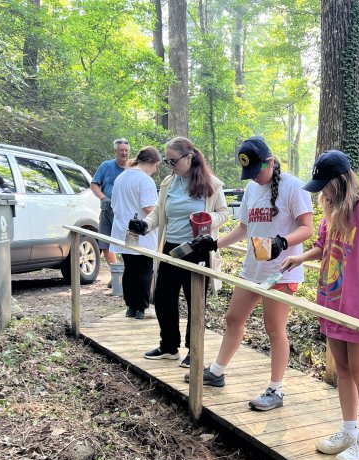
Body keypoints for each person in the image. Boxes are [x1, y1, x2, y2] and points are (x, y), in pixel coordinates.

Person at [281, 150, 359, 460]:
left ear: (341, 181)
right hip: (335, 301)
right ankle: (348, 432)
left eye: (325, 185)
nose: (321, 192)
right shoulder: (332, 209)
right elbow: (324, 246)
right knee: (343, 371)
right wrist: (300, 258)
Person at [185, 136, 313, 411]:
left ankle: (276, 391)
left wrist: (284, 241)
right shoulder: (253, 191)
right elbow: (243, 229)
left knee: (274, 329)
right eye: (249, 174)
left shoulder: (293, 186)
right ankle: (217, 372)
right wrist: (214, 243)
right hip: (253, 269)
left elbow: (307, 228)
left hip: (282, 271)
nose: (254, 178)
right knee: (233, 318)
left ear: (269, 162)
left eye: (257, 172)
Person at [129, 137, 229, 368]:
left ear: (189, 157)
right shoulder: (168, 183)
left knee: (196, 302)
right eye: (167, 161)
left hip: (197, 250)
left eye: (173, 161)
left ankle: (194, 351)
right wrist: (144, 225)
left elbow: (224, 213)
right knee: (164, 298)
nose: (170, 165)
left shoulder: (211, 184)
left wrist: (209, 219)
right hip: (171, 248)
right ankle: (168, 346)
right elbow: (158, 213)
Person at [109, 146, 161, 320]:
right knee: (144, 269)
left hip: (124, 229)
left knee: (130, 268)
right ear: (151, 163)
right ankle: (142, 308)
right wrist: (163, 213)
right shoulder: (145, 180)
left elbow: (114, 204)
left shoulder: (121, 177)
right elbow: (148, 208)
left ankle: (131, 306)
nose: (155, 171)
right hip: (139, 231)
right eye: (156, 166)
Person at [91, 138, 131, 269]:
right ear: (115, 151)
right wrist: (103, 198)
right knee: (105, 242)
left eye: (126, 150)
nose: (124, 153)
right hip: (107, 210)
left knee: (127, 243)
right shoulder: (106, 166)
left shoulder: (133, 168)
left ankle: (127, 272)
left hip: (126, 213)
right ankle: (116, 273)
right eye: (121, 150)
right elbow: (94, 184)